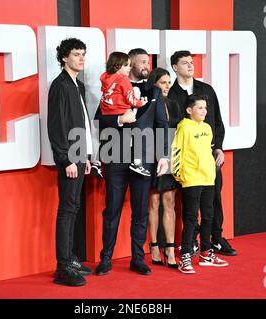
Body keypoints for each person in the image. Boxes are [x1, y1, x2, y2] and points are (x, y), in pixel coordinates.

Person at [94, 48, 170, 276]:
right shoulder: (112, 86)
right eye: (142, 62)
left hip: (144, 159)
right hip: (116, 156)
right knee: (112, 210)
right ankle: (105, 259)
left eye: (148, 61)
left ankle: (138, 258)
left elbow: (161, 125)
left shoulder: (154, 91)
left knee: (140, 211)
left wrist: (164, 155)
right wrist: (118, 119)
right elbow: (99, 121)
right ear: (130, 64)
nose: (147, 65)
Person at [168, 50, 237, 256]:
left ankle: (215, 239)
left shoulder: (207, 90)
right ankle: (192, 243)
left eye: (192, 62)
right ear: (175, 67)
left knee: (213, 200)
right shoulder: (170, 95)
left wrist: (219, 148)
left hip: (209, 160)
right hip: (187, 163)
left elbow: (217, 121)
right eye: (185, 63)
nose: (190, 65)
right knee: (189, 206)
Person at [48, 38, 93, 287]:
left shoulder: (78, 85)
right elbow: (57, 126)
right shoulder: (60, 85)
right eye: (76, 54)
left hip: (79, 156)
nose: (81, 58)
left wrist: (85, 156)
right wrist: (65, 159)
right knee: (67, 209)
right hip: (68, 158)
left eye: (83, 54)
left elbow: (82, 124)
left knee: (73, 208)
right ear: (65, 58)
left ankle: (70, 259)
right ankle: (63, 266)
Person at [172, 94, 229, 274]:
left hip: (208, 179)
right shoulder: (183, 127)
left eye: (205, 108)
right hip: (191, 179)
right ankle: (186, 255)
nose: (204, 111)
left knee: (208, 217)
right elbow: (176, 152)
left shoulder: (207, 128)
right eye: (200, 108)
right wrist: (180, 175)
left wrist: (211, 173)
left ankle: (206, 253)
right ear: (189, 110)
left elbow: (207, 152)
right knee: (190, 219)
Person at [146, 68, 183, 268]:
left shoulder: (174, 105)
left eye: (169, 82)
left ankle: (169, 248)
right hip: (152, 158)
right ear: (154, 84)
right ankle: (153, 246)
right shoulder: (148, 105)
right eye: (163, 83)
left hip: (171, 158)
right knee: (154, 203)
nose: (167, 86)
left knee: (169, 202)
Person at [92, 51, 149, 177]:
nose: (130, 67)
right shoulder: (124, 80)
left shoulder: (105, 77)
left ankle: (96, 162)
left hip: (107, 109)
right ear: (118, 66)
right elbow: (131, 99)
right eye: (127, 65)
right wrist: (140, 103)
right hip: (120, 111)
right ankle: (137, 163)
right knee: (137, 132)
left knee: (101, 135)